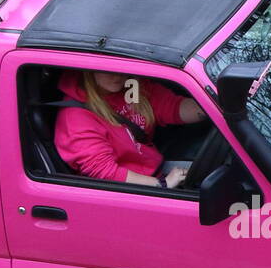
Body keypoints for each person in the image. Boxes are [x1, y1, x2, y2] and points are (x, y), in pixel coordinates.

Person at [54, 70, 205, 187]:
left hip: (154, 168)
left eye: (120, 66)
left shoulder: (129, 87)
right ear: (88, 70)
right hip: (129, 192)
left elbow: (171, 106)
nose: (118, 75)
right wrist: (163, 184)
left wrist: (212, 106)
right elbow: (105, 173)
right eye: (108, 69)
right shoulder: (76, 118)